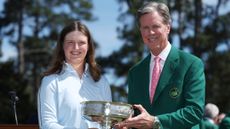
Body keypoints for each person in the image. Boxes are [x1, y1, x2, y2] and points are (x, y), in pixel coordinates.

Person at [115, 1, 205, 129]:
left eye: (155, 26)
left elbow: (194, 111)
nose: (150, 32)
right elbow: (134, 116)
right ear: (140, 31)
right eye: (145, 28)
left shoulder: (191, 64)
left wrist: (155, 121)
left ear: (168, 27)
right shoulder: (135, 72)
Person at [37, 21, 112, 129]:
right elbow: (47, 125)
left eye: (81, 42)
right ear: (62, 45)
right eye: (70, 42)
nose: (76, 47)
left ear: (89, 46)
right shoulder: (50, 81)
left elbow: (108, 123)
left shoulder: (102, 81)